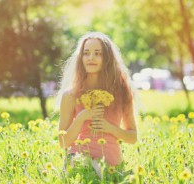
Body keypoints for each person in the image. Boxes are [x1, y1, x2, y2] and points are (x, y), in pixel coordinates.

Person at [56, 32, 138, 175]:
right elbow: (63, 142)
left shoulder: (122, 92)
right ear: (81, 58)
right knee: (89, 168)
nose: (91, 58)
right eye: (86, 53)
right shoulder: (70, 95)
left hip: (111, 165)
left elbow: (132, 137)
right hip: (78, 159)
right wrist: (82, 117)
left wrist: (109, 128)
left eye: (97, 53)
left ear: (107, 58)